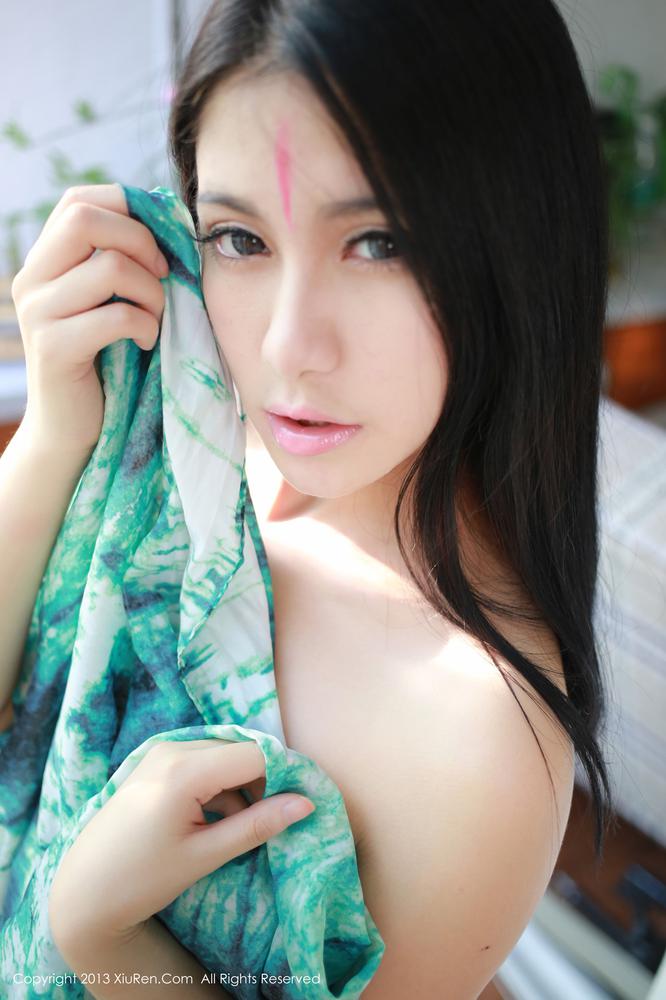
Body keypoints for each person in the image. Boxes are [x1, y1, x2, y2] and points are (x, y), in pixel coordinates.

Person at [1, 0, 615, 996]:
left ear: (519, 245)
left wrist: (102, 934)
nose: (289, 347)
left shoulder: (477, 739)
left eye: (380, 243)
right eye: (240, 237)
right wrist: (52, 436)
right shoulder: (183, 431)